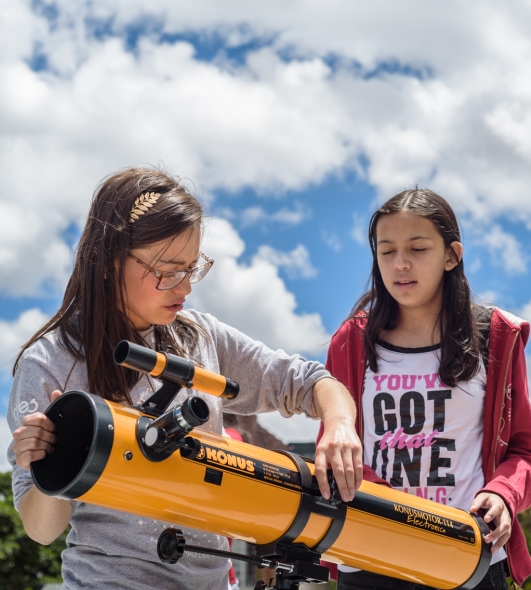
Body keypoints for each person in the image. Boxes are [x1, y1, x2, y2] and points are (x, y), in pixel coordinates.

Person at [7, 167, 363, 590]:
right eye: (169, 271)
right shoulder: (49, 362)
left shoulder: (197, 336)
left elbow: (310, 381)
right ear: (107, 262)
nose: (186, 288)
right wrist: (55, 463)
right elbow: (41, 529)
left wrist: (339, 426)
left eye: (193, 268)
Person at [321, 188, 531, 590]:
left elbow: (526, 453)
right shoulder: (349, 342)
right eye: (386, 251)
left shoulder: (496, 336)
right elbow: (335, 455)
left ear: (451, 255)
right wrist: (399, 514)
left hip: (468, 557)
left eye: (417, 248)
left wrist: (503, 496)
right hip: (371, 557)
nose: (400, 264)